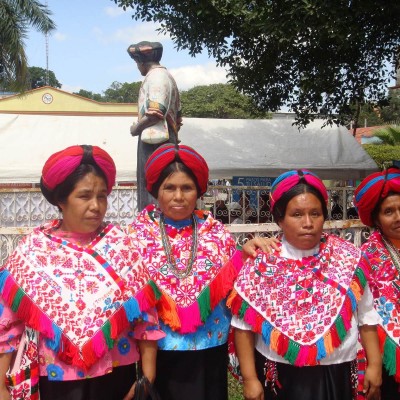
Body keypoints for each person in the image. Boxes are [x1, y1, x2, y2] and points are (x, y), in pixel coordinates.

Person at [0, 145, 164, 400]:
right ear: (60, 200)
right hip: (56, 376)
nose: (96, 206)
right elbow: (9, 324)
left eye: (102, 196)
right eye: (84, 196)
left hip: (117, 374)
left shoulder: (120, 246)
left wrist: (148, 375)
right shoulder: (33, 252)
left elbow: (146, 316)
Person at [228, 169, 382, 400]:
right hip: (279, 371)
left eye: (315, 213)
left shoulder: (349, 259)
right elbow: (243, 326)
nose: (308, 223)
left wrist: (374, 365)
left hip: (336, 367)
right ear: (280, 218)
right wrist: (250, 379)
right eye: (297, 214)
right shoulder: (262, 263)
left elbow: (367, 315)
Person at [127, 144, 264, 400]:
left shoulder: (215, 233)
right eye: (169, 188)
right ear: (156, 190)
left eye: (186, 188)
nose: (178, 196)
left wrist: (244, 255)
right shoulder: (137, 236)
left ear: (198, 191)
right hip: (158, 350)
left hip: (210, 347)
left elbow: (233, 278)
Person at [354, 167, 400, 399]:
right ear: (376, 218)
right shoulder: (366, 257)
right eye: (389, 211)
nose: (398, 217)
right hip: (386, 354)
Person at [127, 41, 182, 212]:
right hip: (165, 138)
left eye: (137, 63)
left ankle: (152, 220)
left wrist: (136, 128)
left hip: (155, 140)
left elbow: (156, 111)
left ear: (142, 62)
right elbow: (178, 117)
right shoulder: (166, 76)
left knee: (152, 181)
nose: (138, 67)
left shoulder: (157, 76)